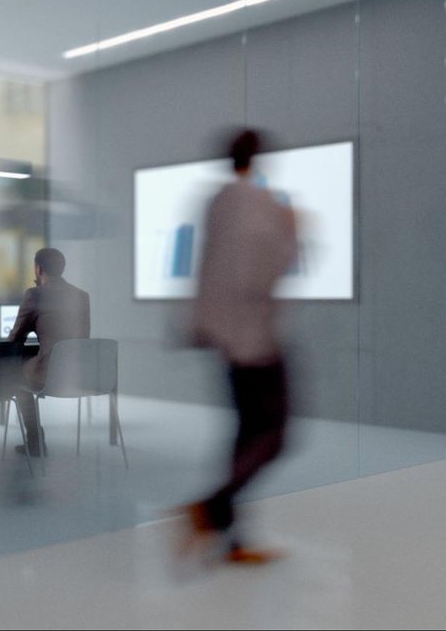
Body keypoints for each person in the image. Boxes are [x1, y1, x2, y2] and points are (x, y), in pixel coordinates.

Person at [181, 129, 298, 565]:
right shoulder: (260, 204)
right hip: (255, 338)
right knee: (274, 435)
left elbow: (211, 268)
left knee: (246, 434)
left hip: (227, 338)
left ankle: (231, 537)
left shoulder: (217, 202)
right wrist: (291, 233)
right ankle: (211, 507)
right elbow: (263, 268)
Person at [9, 248, 91, 457]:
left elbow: (16, 338)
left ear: (38, 268)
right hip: (78, 372)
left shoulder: (35, 294)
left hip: (49, 375)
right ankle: (35, 440)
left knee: (16, 373)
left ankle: (35, 441)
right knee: (31, 362)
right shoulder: (81, 296)